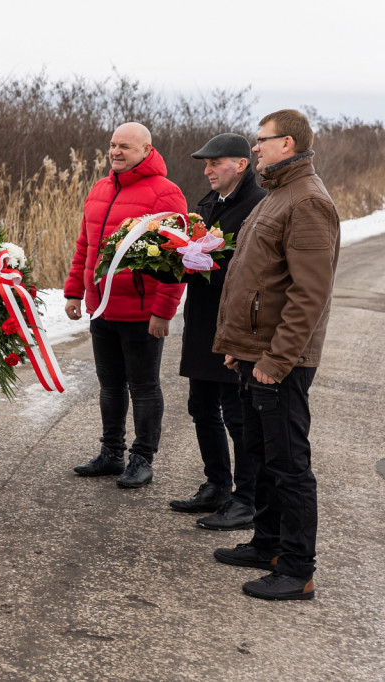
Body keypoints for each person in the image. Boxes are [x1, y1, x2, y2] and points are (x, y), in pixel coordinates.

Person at [212, 110, 340, 601]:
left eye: (261, 141)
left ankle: (296, 567)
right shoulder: (277, 195)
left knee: (289, 463)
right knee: (263, 455)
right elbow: (255, 278)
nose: (255, 148)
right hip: (254, 353)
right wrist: (238, 349)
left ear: (286, 143)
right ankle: (266, 544)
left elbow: (310, 294)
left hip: (281, 361)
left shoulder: (308, 201)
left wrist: (276, 359)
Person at [64, 122, 187, 488]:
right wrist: (74, 291)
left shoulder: (166, 194)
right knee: (110, 386)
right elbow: (85, 245)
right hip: (102, 309)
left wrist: (164, 311)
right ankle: (112, 453)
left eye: (125, 147)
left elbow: (177, 257)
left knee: (144, 387)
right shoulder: (100, 189)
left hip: (141, 313)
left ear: (147, 150)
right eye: (113, 145)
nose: (115, 152)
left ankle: (142, 458)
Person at [168, 134, 265, 529]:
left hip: (235, 324)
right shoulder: (209, 204)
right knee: (201, 407)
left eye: (215, 163)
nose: (206, 170)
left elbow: (252, 269)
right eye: (205, 164)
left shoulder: (257, 206)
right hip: (203, 320)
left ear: (241, 165)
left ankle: (247, 499)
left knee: (237, 415)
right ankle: (217, 485)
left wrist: (205, 262)